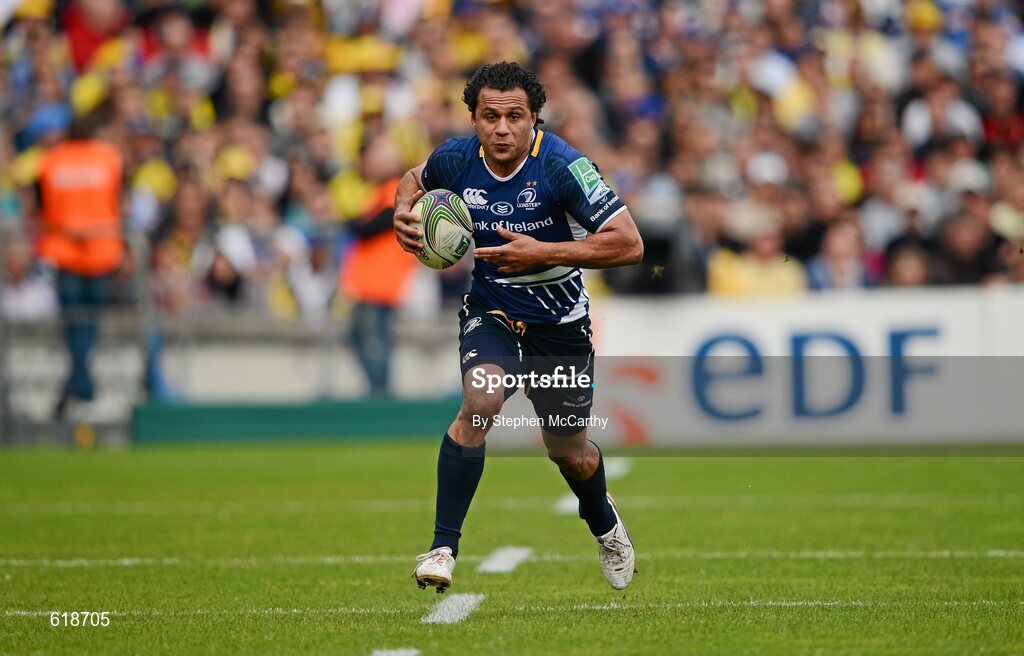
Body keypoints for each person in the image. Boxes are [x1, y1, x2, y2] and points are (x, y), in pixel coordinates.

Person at [393, 62, 643, 592]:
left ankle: (603, 521)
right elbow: (415, 178)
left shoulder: (563, 167)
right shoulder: (456, 159)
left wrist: (542, 252)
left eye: (514, 117)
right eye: (490, 117)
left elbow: (629, 244)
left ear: (534, 118)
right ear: (474, 119)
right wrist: (402, 210)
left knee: (567, 450)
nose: (502, 128)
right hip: (493, 311)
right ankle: (442, 547)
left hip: (560, 324)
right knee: (480, 403)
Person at [36, 103, 124, 417]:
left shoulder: (51, 161)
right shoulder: (109, 158)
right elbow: (118, 200)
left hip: (63, 252)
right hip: (101, 253)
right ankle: (82, 388)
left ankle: (76, 385)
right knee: (89, 324)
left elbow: (40, 206)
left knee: (73, 324)